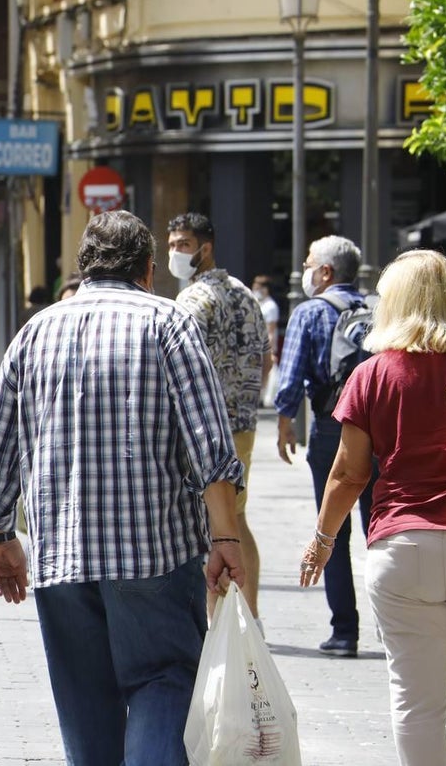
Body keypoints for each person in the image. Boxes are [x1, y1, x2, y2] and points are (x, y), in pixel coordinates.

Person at [0, 210, 245, 766]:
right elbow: (210, 444)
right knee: (164, 678)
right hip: (155, 554)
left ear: (84, 267)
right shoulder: (168, 323)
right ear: (148, 268)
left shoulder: (35, 332)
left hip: (62, 558)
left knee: (85, 698)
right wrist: (226, 538)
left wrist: (0, 536)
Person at [299, 250, 446, 765]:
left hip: (403, 548)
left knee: (417, 702)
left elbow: (348, 474)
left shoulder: (372, 374)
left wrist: (321, 542)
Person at [276, 235, 378, 657]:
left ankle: (344, 632)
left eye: (308, 264)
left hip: (331, 425)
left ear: (325, 272)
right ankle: (390, 622)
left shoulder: (310, 311)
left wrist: (285, 422)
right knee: (379, 526)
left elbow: (291, 373)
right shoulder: (376, 309)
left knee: (331, 526)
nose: (304, 270)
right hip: (378, 427)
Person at [169, 213, 272, 624]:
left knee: (210, 524)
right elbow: (265, 357)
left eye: (183, 244)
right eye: (172, 244)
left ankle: (218, 622)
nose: (175, 252)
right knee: (237, 518)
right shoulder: (247, 294)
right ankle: (250, 614)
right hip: (243, 424)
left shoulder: (190, 301)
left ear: (205, 248)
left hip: (204, 430)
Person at [252, 274, 280, 388]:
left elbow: (271, 331)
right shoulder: (257, 304)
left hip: (265, 349)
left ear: (266, 289)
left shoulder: (270, 306)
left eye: (259, 288)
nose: (256, 291)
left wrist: (271, 351)